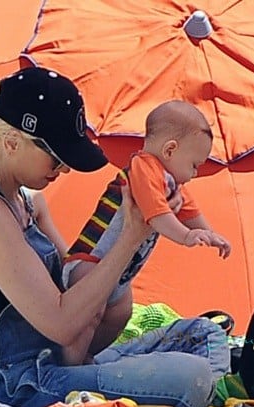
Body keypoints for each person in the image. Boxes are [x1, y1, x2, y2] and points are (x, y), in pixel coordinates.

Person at [0, 67, 228, 407]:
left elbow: (81, 294)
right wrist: (130, 239)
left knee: (203, 334)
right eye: (58, 157)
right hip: (3, 385)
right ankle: (172, 394)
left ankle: (136, 388)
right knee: (191, 376)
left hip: (48, 361)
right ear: (12, 142)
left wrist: (121, 235)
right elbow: (63, 324)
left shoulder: (26, 200)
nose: (64, 170)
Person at [61, 100, 231, 360]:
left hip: (119, 274)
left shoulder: (171, 183)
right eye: (194, 165)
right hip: (89, 263)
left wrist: (210, 234)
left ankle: (88, 356)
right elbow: (155, 214)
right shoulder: (144, 167)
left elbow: (190, 211)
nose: (195, 174)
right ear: (170, 149)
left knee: (120, 313)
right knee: (90, 315)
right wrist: (186, 236)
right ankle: (68, 363)